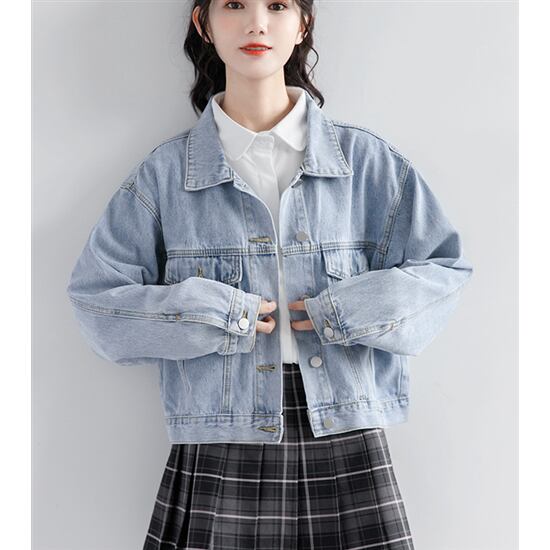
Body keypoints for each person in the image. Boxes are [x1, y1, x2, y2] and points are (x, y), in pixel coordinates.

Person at [66, 1, 473, 548]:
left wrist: (344, 313)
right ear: (203, 23)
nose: (256, 23)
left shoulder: (367, 164)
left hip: (344, 431)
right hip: (220, 434)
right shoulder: (165, 176)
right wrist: (219, 316)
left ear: (302, 23)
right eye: (234, 4)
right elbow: (98, 303)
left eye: (277, 5)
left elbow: (444, 269)